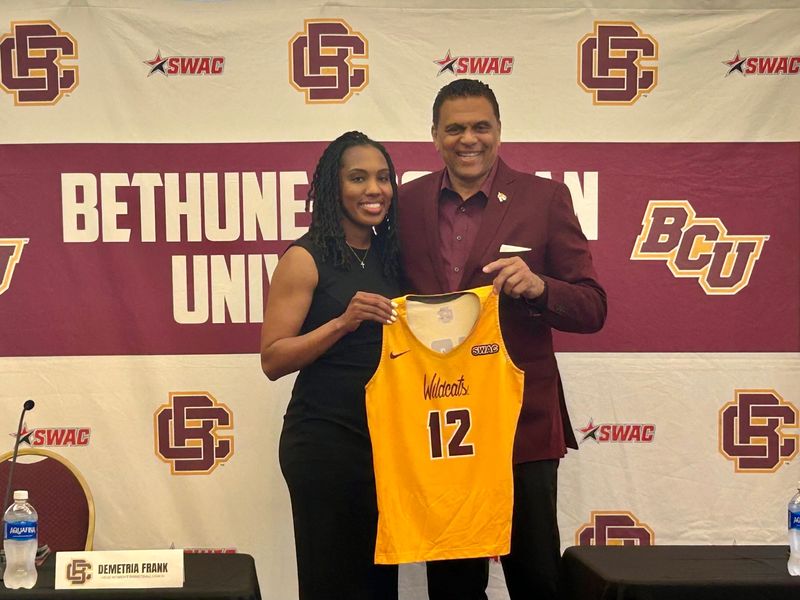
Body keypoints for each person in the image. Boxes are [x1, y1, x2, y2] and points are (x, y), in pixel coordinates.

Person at [397, 79, 607, 600]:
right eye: (455, 128)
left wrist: (539, 287)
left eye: (480, 126)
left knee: (535, 576)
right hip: (443, 425)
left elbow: (593, 307)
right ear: (435, 136)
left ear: (499, 131)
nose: (469, 139)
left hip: (522, 421)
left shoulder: (546, 198)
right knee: (452, 583)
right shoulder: (404, 203)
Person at [260, 131, 400, 600]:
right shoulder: (305, 257)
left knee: (379, 585)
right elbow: (273, 358)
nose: (373, 189)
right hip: (324, 444)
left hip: (386, 446)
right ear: (332, 187)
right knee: (331, 584)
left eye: (383, 178)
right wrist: (343, 322)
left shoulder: (392, 255)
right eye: (358, 178)